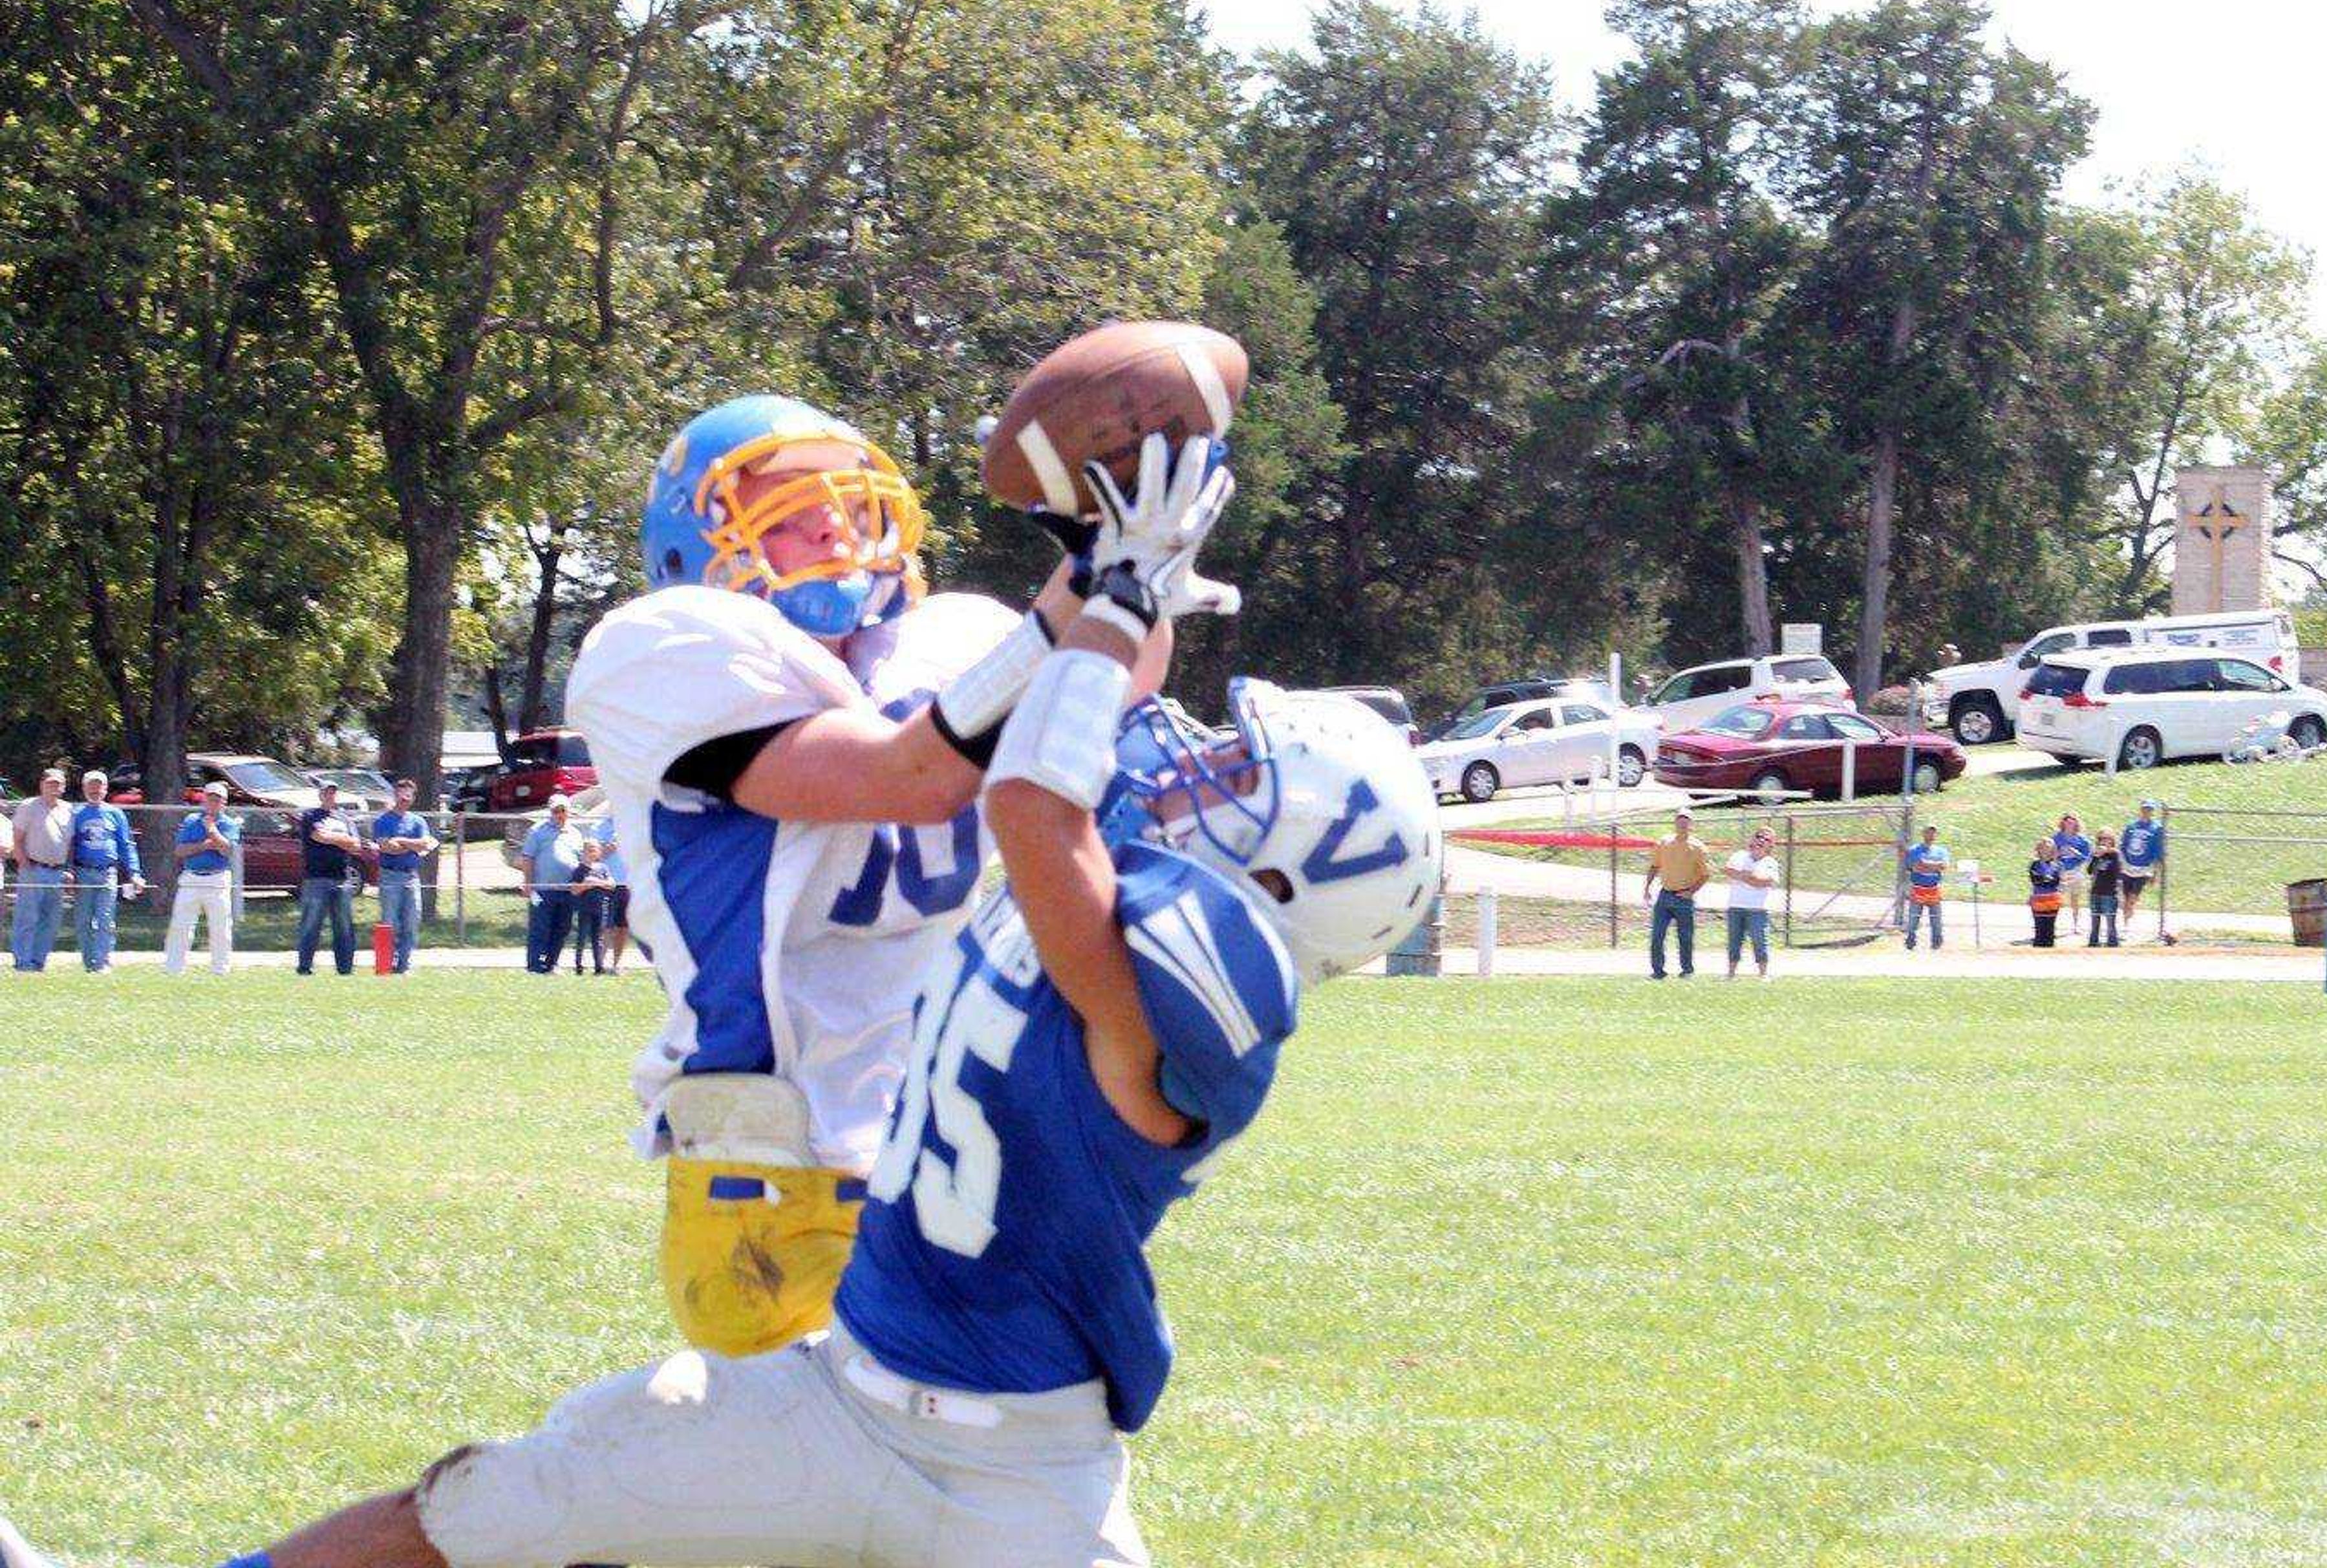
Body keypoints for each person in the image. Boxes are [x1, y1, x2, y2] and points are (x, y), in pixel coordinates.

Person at [0, 672, 1439, 1568]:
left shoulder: (1206, 994)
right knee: (490, 1508)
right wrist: (1132, 578)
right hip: (833, 1390)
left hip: (1019, 1478)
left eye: (1242, 778)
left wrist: (1111, 599)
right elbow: (1069, 761)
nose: (1194, 761)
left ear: (1291, 883)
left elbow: (1036, 807)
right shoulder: (1141, 895)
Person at [562, 395, 1216, 1357]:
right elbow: (904, 777)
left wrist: (1135, 571)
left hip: (955, 1148)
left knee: (1014, 1472)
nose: (829, 522)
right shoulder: (664, 645)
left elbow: (1118, 677)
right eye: (784, 507)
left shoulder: (944, 636)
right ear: (690, 543)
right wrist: (1081, 590)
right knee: (822, 1493)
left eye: (847, 502)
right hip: (775, 1175)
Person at [67, 769, 142, 972]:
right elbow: (69, 846)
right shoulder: (76, 814)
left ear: (106, 789)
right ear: (84, 789)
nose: (95, 790)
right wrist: (69, 871)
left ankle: (103, 963)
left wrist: (135, 873)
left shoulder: (116, 814)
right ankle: (89, 963)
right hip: (83, 873)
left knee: (105, 919)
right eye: (91, 786)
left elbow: (127, 845)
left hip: (108, 873)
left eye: (99, 786)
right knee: (83, 921)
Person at [166, 782, 241, 974]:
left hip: (217, 879)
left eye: (218, 800)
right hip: (191, 879)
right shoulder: (191, 821)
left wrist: (212, 830)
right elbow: (180, 850)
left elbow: (227, 851)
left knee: (220, 928)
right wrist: (206, 845)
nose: (213, 803)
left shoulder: (230, 824)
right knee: (181, 926)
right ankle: (174, 969)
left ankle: (220, 970)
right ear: (204, 799)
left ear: (224, 803)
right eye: (210, 798)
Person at [370, 779, 438, 973]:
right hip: (390, 877)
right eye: (401, 794)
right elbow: (387, 848)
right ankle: (385, 966)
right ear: (395, 795)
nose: (405, 799)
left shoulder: (418, 821)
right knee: (389, 922)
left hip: (411, 877)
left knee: (411, 921)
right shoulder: (383, 821)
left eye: (409, 795)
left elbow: (425, 845)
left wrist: (400, 841)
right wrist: (410, 846)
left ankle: (404, 965)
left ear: (413, 798)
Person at [10, 768, 75, 971]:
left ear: (64, 787)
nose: (54, 787)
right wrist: (24, 865)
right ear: (42, 784)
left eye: (59, 784)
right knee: (27, 918)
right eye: (51, 783)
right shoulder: (29, 806)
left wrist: (69, 869)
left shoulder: (68, 809)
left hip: (57, 873)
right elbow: (17, 839)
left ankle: (38, 962)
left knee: (51, 920)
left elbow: (70, 843)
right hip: (33, 869)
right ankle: (22, 962)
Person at [295, 780, 361, 976]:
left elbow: (356, 845)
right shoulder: (310, 816)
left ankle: (345, 970)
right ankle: (305, 968)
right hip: (316, 879)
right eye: (326, 792)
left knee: (344, 926)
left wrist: (332, 838)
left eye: (333, 793)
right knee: (311, 925)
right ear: (320, 795)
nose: (330, 796)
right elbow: (317, 836)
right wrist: (343, 841)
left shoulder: (345, 818)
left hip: (342, 879)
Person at [515, 794, 586, 974]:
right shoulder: (538, 831)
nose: (559, 814)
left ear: (568, 812)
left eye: (563, 811)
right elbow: (527, 858)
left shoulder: (576, 834)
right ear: (550, 811)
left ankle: (552, 964)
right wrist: (528, 884)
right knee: (540, 928)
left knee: (562, 928)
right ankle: (535, 966)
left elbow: (581, 862)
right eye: (556, 811)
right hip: (542, 890)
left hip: (567, 890)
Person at [1640, 809, 1710, 979]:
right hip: (1665, 895)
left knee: (1685, 937)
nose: (1683, 824)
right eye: (1680, 820)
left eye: (1686, 821)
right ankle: (1658, 971)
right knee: (1657, 935)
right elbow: (1655, 866)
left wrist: (1691, 892)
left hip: (1683, 899)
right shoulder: (1664, 843)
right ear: (1675, 823)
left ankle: (1687, 970)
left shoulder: (1698, 848)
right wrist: (1647, 887)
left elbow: (1705, 874)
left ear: (1691, 825)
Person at [1723, 826, 1778, 978]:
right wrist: (1749, 877)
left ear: (1771, 845)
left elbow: (1764, 882)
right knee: (1734, 942)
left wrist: (1742, 876)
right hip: (1736, 907)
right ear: (1753, 838)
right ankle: (1731, 974)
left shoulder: (1770, 863)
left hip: (1757, 910)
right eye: (1759, 836)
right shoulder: (1740, 856)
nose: (1761, 840)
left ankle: (1763, 975)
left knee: (1760, 942)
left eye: (1767, 839)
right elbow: (1728, 870)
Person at [568, 839, 617, 974]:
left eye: (595, 849)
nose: (592, 852)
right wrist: (586, 885)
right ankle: (579, 966)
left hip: (600, 907)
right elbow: (574, 890)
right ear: (584, 852)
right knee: (582, 937)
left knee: (598, 939)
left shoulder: (603, 868)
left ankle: (598, 966)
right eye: (589, 849)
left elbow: (612, 885)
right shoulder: (579, 870)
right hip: (585, 908)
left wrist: (595, 882)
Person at [590, 810, 631, 971]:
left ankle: (617, 964)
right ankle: (599, 964)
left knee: (623, 926)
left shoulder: (632, 825)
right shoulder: (598, 827)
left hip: (627, 884)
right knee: (606, 926)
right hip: (606, 884)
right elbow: (592, 858)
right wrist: (610, 848)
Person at [2120, 798, 2166, 931]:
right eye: (2145, 809)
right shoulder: (2132, 826)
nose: (2147, 812)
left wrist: (2155, 873)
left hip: (2144, 868)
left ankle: (2128, 919)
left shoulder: (2157, 828)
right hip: (2128, 866)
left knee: (2133, 897)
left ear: (2153, 812)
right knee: (2126, 897)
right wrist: (2122, 864)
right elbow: (2123, 846)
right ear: (2141, 810)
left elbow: (2158, 851)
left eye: (2150, 809)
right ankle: (2126, 922)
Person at [1903, 822, 1949, 950]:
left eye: (1933, 832)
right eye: (1928, 832)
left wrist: (1926, 865)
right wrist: (1935, 866)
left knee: (1936, 918)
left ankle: (1937, 941)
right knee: (1914, 917)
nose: (1931, 835)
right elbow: (1915, 867)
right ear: (1923, 834)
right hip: (1918, 888)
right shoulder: (1914, 850)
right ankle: (1911, 940)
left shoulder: (1941, 851)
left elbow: (1944, 866)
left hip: (1934, 888)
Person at [2051, 811, 2092, 934]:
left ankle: (2076, 925)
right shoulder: (2056, 838)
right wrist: (2059, 853)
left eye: (2072, 819)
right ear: (2063, 822)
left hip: (2076, 871)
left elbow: (2087, 858)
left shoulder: (2083, 840)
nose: (2069, 822)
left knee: (2075, 899)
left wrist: (2076, 853)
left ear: (2076, 822)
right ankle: (2053, 924)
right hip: (2061, 871)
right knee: (2057, 899)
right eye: (2067, 819)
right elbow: (2050, 854)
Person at [2086, 829, 2124, 947]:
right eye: (2102, 839)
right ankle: (2093, 942)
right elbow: (2090, 871)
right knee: (2095, 921)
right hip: (2096, 891)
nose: (2104, 841)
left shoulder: (2115, 855)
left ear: (2112, 841)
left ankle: (2112, 943)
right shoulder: (2097, 854)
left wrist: (2107, 852)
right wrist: (2096, 857)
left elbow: (2117, 871)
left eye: (2107, 839)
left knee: (2110, 922)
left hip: (2110, 893)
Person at [2028, 837, 2063, 947]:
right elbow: (2035, 880)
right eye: (2043, 848)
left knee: (2050, 926)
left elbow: (2056, 881)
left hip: (2052, 899)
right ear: (2039, 850)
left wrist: (2045, 879)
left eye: (2049, 848)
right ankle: (2038, 947)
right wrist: (2046, 879)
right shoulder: (2035, 864)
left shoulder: (2057, 865)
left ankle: (2049, 948)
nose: (2046, 851)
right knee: (2039, 926)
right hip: (2038, 899)